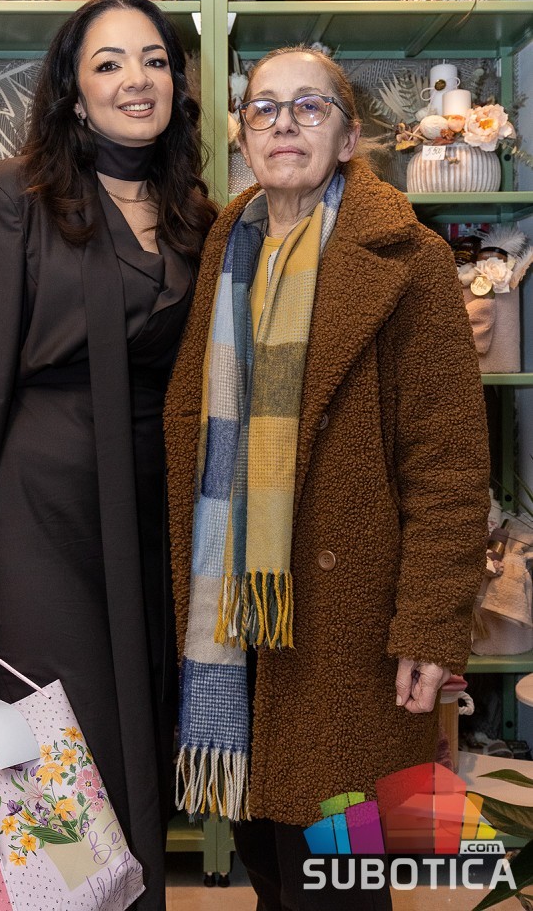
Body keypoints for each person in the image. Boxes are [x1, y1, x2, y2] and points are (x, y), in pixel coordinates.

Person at [164, 46, 490, 910]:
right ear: (242, 137)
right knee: (272, 869)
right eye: (263, 108)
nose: (284, 124)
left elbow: (449, 463)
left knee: (339, 878)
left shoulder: (406, 259)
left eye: (309, 107)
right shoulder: (224, 251)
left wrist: (429, 625)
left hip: (352, 626)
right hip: (235, 618)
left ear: (348, 138)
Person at [0, 0, 217, 910]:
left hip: (154, 505)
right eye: (108, 63)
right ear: (72, 91)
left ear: (178, 82)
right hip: (42, 514)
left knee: (143, 733)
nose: (137, 80)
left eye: (155, 60)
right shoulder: (12, 198)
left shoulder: (194, 212)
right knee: (61, 748)